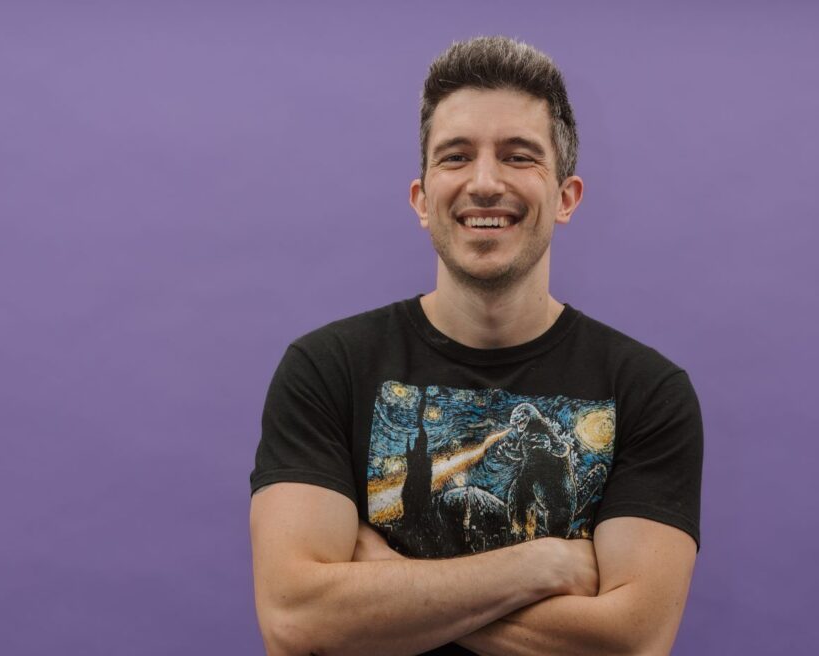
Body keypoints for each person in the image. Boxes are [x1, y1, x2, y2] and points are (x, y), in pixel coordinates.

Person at [249, 35, 703, 655]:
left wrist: (384, 585)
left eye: (519, 157)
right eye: (456, 157)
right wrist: (541, 566)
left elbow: (631, 642)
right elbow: (296, 619)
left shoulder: (646, 391)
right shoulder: (327, 371)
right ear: (422, 199)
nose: (485, 183)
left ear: (566, 197)